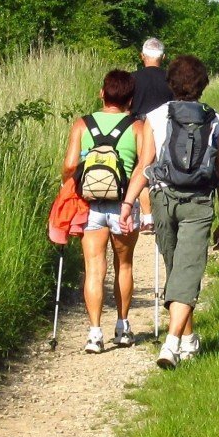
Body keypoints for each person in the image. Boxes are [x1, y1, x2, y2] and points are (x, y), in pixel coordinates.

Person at [120, 53, 219, 369]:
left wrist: (129, 204)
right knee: (185, 270)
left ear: (171, 84)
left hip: (163, 200)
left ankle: (173, 343)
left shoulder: (154, 118)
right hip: (199, 203)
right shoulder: (217, 122)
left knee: (178, 270)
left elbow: (145, 165)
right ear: (203, 85)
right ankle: (185, 338)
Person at [62, 69, 143, 353]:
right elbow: (144, 169)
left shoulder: (82, 125)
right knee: (125, 264)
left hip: (91, 206)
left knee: (94, 268)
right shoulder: (137, 127)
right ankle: (122, 327)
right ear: (130, 99)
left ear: (102, 93)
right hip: (123, 205)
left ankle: (95, 334)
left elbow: (70, 166)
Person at [130, 36, 172, 118]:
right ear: (163, 57)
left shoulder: (131, 78)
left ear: (142, 55)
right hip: (163, 126)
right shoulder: (172, 79)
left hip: (137, 125)